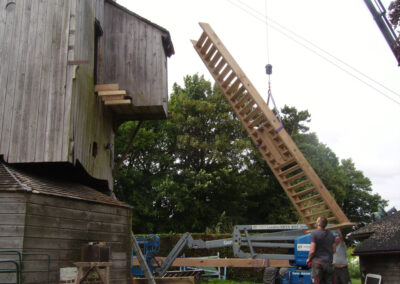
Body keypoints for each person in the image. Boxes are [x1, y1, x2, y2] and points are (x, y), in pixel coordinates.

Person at [306, 216, 336, 284]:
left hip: (318, 264)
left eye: (317, 221)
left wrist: (309, 259)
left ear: (318, 223)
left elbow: (312, 250)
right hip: (328, 263)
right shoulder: (331, 234)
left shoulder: (314, 233)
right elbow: (334, 250)